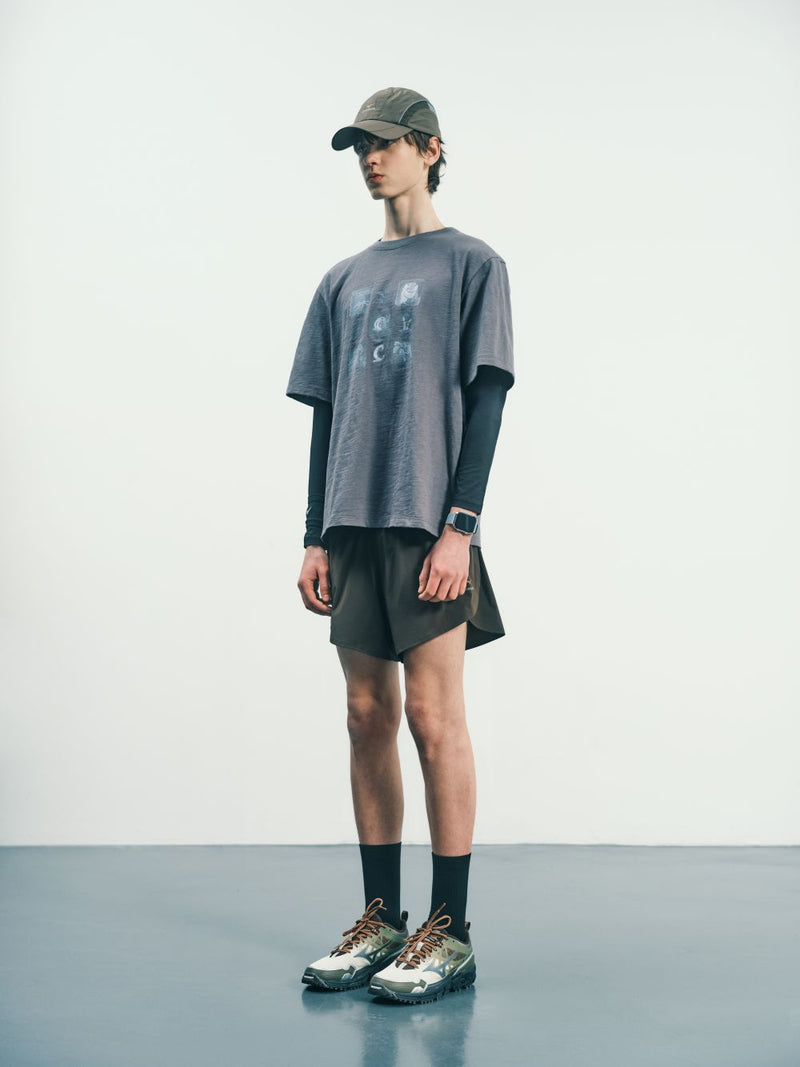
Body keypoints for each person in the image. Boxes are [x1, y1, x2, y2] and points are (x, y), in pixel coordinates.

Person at [285, 86, 515, 1005]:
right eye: (360, 149)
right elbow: (326, 413)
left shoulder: (473, 264)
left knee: (433, 716)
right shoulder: (340, 279)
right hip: (352, 521)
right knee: (364, 715)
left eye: (383, 145)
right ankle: (381, 918)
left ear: (431, 149)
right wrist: (314, 534)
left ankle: (449, 931)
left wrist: (462, 525)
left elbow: (487, 400)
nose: (370, 160)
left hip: (428, 521)